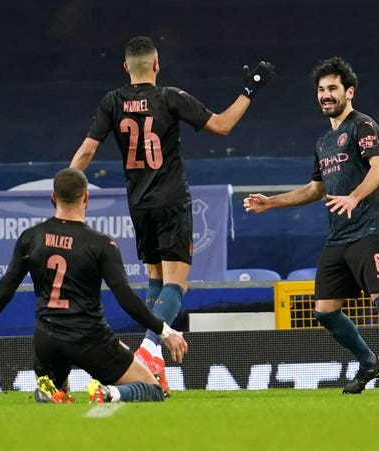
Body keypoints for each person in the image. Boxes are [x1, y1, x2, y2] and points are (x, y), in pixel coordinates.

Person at [70, 35, 274, 395]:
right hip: (172, 201)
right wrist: (250, 89)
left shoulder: (112, 102)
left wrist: (67, 198)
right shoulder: (170, 97)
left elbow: (86, 152)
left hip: (139, 204)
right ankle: (149, 352)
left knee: (154, 279)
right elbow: (223, 126)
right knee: (176, 284)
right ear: (157, 65)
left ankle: (156, 364)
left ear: (125, 68)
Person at [243, 57, 379, 395]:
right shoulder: (324, 142)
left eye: (332, 89)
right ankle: (369, 363)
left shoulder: (363, 126)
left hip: (371, 230)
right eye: (321, 90)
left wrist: (354, 197)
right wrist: (272, 202)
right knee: (324, 311)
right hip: (339, 236)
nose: (326, 95)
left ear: (349, 91)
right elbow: (315, 190)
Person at [0, 168, 188, 404]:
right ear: (86, 197)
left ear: (53, 198)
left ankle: (48, 391)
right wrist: (164, 331)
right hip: (90, 340)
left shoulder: (31, 237)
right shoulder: (101, 244)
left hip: (47, 339)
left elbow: (6, 287)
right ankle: (108, 394)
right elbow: (125, 299)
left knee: (55, 393)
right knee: (153, 390)